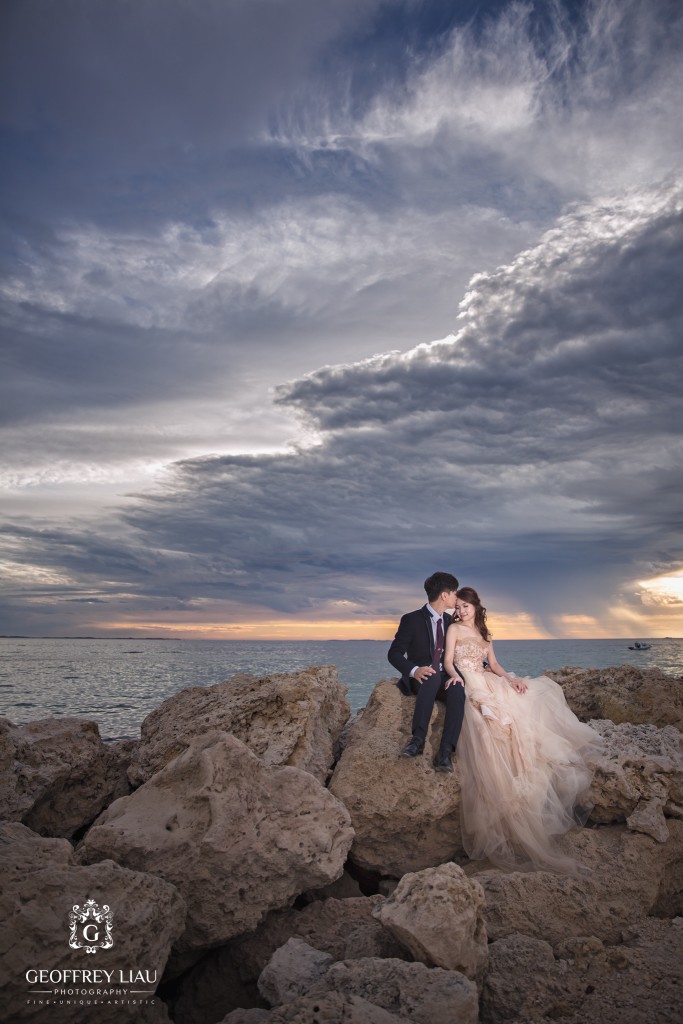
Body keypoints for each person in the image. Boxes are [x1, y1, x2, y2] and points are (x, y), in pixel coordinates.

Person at [443, 586, 603, 873]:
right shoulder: (453, 629)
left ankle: (524, 800)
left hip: (487, 680)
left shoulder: (486, 635)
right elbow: (447, 662)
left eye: (466, 606)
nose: (462, 611)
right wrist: (456, 679)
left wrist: (509, 679)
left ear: (477, 607)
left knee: (523, 709)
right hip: (468, 684)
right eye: (459, 607)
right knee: (484, 729)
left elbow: (493, 664)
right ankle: (501, 805)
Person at [387, 572, 465, 772]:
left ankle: (446, 753)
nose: (457, 598)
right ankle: (417, 740)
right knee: (432, 676)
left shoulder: (450, 623)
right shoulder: (411, 620)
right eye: (455, 593)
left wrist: (483, 665)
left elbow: (461, 652)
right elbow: (394, 654)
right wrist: (414, 670)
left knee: (457, 689)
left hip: (443, 678)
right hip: (421, 679)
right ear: (444, 595)